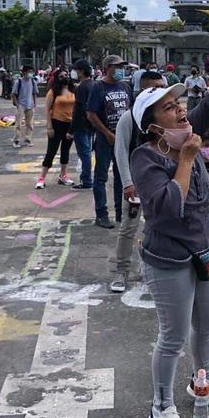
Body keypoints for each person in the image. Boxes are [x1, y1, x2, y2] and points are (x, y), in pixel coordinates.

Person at [129, 20, 209, 418]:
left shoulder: (184, 130)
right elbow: (166, 209)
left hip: (203, 249)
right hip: (168, 258)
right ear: (153, 124)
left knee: (207, 324)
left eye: (179, 103)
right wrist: (189, 159)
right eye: (169, 107)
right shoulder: (147, 157)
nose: (180, 109)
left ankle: (203, 383)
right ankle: (161, 407)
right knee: (172, 336)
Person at [111, 70, 167, 293]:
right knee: (128, 227)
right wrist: (127, 182)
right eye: (152, 88)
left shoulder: (166, 117)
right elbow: (121, 151)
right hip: (136, 183)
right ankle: (121, 271)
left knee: (162, 228)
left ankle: (158, 269)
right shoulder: (129, 118)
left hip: (162, 182)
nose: (158, 92)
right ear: (142, 90)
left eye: (161, 87)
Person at [87, 55, 132, 229]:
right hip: (105, 140)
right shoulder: (98, 87)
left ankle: (121, 213)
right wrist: (106, 133)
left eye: (122, 66)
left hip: (123, 140)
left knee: (122, 176)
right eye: (117, 66)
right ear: (107, 68)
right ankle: (102, 214)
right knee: (101, 177)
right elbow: (91, 114)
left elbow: (130, 110)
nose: (121, 69)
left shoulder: (125, 86)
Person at [37, 68, 76, 189]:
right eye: (63, 76)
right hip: (56, 123)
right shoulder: (53, 92)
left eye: (67, 75)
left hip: (69, 124)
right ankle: (42, 177)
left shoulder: (73, 90)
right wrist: (49, 126)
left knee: (66, 150)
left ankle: (63, 175)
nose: (66, 77)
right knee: (51, 151)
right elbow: (47, 110)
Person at [71, 60, 95, 190]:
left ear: (81, 71)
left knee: (84, 154)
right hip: (90, 124)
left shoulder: (82, 87)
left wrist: (71, 128)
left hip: (81, 125)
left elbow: (79, 110)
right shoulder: (93, 85)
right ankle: (87, 179)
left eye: (76, 70)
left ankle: (86, 180)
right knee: (87, 153)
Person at [11, 65, 39, 148]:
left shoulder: (33, 81)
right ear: (24, 72)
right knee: (18, 124)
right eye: (29, 72)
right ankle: (16, 140)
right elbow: (13, 94)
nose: (30, 74)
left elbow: (34, 93)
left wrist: (34, 103)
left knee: (29, 124)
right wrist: (17, 104)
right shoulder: (18, 82)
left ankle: (28, 139)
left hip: (30, 105)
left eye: (31, 72)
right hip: (21, 105)